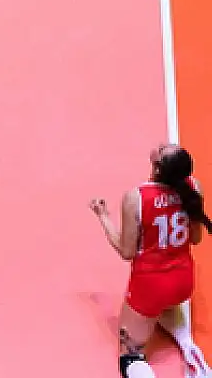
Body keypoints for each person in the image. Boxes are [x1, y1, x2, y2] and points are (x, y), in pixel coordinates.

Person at [90, 145, 212, 378]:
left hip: (150, 287)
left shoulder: (136, 198)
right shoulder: (194, 188)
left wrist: (103, 217)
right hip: (183, 283)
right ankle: (189, 349)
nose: (161, 145)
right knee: (164, 309)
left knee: (130, 352)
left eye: (163, 149)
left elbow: (127, 251)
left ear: (157, 168)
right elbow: (196, 238)